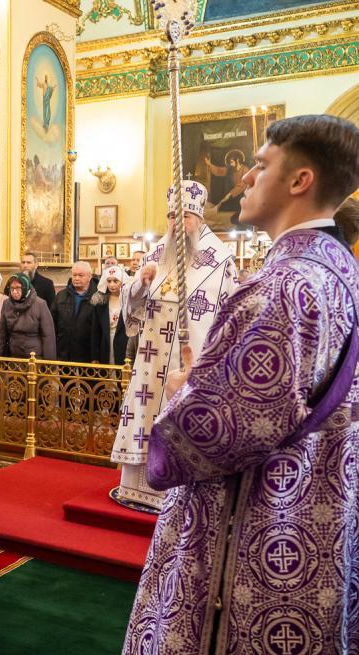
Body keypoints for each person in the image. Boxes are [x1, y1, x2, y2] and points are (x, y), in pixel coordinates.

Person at [121, 115, 359, 655]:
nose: (244, 178)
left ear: (300, 180)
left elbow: (216, 432)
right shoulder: (350, 275)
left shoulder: (282, 286)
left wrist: (182, 390)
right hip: (322, 521)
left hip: (257, 532)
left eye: (260, 165)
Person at [109, 181, 237, 511]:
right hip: (150, 361)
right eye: (171, 217)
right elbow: (130, 308)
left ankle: (178, 494)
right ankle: (136, 487)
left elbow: (230, 317)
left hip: (188, 362)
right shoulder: (156, 254)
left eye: (185, 217)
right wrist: (140, 283)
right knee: (145, 415)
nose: (177, 223)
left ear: (199, 218)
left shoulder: (221, 260)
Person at [0, 273, 55, 360]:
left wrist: (49, 363)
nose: (14, 292)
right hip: (14, 355)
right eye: (12, 288)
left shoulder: (40, 304)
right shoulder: (6, 304)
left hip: (34, 357)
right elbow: (2, 333)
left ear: (25, 287)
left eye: (18, 288)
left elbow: (48, 335)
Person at [51, 261, 97, 363]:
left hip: (88, 354)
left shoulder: (98, 297)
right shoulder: (61, 296)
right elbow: (53, 323)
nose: (76, 278)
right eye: (74, 275)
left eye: (80, 275)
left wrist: (96, 355)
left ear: (89, 277)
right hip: (64, 351)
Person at [90, 264, 129, 365]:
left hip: (125, 345)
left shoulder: (129, 301)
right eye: (109, 281)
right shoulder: (100, 302)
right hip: (105, 344)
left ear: (122, 282)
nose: (111, 284)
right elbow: (95, 330)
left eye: (115, 281)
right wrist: (94, 355)